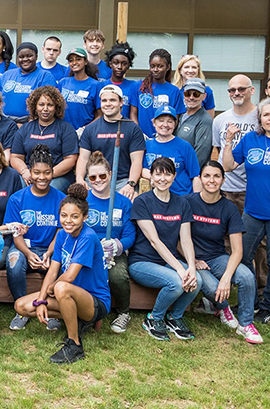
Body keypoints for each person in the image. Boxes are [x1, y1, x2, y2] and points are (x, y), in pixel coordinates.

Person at [221, 97, 270, 326]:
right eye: (266, 114)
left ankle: (268, 307)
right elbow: (228, 166)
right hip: (253, 212)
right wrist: (228, 141)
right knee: (243, 256)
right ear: (260, 119)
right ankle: (250, 300)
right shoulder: (251, 139)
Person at [13, 183, 111, 364]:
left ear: (85, 217)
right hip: (69, 294)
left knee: (61, 287)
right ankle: (78, 321)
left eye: (75, 216)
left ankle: (74, 345)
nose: (68, 221)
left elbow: (69, 276)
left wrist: (50, 289)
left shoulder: (88, 237)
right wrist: (41, 301)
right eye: (64, 215)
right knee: (22, 306)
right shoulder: (61, 235)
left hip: (95, 302)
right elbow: (52, 270)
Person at [188, 161, 262, 344]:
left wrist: (227, 277)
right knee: (213, 287)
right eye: (207, 176)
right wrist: (193, 259)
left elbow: (237, 251)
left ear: (223, 180)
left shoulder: (229, 208)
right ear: (200, 179)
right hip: (191, 258)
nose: (211, 180)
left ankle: (246, 324)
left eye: (216, 176)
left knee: (246, 276)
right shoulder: (188, 202)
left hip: (216, 257)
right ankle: (223, 308)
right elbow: (177, 239)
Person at [129, 157, 200, 341]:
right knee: (176, 282)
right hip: (142, 262)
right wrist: (180, 269)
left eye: (167, 174)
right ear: (151, 177)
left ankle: (175, 317)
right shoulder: (142, 202)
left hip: (168, 261)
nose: (162, 178)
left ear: (174, 176)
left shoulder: (182, 203)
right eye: (158, 174)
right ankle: (154, 318)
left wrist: (191, 267)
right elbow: (154, 241)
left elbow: (186, 239)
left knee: (198, 280)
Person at [5, 145, 65, 331]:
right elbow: (16, 234)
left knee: (62, 265)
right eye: (37, 172)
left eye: (47, 172)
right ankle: (21, 309)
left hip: (50, 248)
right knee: (14, 262)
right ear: (30, 172)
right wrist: (28, 254)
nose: (42, 177)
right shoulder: (17, 199)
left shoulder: (61, 199)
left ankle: (52, 310)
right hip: (24, 247)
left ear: (52, 172)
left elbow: (60, 231)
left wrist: (49, 253)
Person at [82, 151, 135, 334]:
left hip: (113, 253)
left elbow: (130, 235)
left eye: (102, 176)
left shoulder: (123, 202)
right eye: (93, 177)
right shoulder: (83, 201)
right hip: (88, 250)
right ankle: (85, 311)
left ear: (110, 174)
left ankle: (123, 312)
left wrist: (117, 246)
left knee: (117, 276)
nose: (98, 180)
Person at [75, 84, 144, 198]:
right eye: (104, 100)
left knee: (131, 201)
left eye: (112, 100)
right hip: (95, 180)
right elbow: (83, 158)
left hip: (121, 181)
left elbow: (136, 161)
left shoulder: (133, 128)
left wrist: (131, 184)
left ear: (121, 102)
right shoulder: (90, 129)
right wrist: (79, 179)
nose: (108, 104)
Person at [10, 86, 79, 192]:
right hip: (30, 173)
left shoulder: (66, 129)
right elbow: (15, 157)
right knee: (20, 188)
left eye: (50, 105)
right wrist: (25, 171)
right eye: (41, 104)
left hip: (57, 175)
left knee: (48, 190)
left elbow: (70, 159)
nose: (45, 108)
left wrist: (47, 175)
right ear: (35, 106)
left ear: (56, 107)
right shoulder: (25, 129)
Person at [212, 74, 259, 212]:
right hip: (225, 187)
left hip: (250, 189)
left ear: (252, 90)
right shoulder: (220, 119)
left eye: (241, 89)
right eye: (232, 90)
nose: (236, 93)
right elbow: (219, 149)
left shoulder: (261, 118)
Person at [142, 106, 201, 196]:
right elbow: (141, 169)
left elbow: (195, 176)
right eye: (161, 120)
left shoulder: (185, 146)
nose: (165, 125)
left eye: (170, 121)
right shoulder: (146, 145)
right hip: (157, 197)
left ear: (175, 124)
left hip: (182, 196)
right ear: (154, 122)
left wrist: (196, 200)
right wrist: (153, 177)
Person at [0, 42, 57, 120]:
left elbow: (49, 104)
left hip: (30, 122)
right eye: (21, 57)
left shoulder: (45, 76)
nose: (25, 59)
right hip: (5, 121)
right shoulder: (7, 75)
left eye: (29, 56)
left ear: (36, 57)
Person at [136, 49, 185, 138]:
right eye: (152, 66)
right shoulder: (140, 87)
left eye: (160, 66)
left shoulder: (174, 91)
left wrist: (163, 135)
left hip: (164, 139)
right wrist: (138, 134)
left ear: (168, 67)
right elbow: (133, 114)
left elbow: (175, 119)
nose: (155, 69)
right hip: (141, 139)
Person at [58, 47, 103, 131]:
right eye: (71, 60)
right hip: (63, 132)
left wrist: (84, 130)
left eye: (78, 59)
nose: (74, 63)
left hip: (85, 134)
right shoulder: (63, 83)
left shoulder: (96, 85)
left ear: (85, 62)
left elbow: (100, 115)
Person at [177, 79, 213, 169]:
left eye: (196, 94)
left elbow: (201, 154)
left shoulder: (205, 120)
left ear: (204, 96)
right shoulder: (180, 115)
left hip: (188, 172)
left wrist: (188, 172)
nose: (191, 97)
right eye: (188, 94)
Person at [101, 41, 139, 121]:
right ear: (110, 64)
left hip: (126, 127)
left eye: (124, 64)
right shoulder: (101, 86)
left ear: (129, 65)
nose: (119, 67)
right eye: (116, 63)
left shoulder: (133, 86)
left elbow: (133, 114)